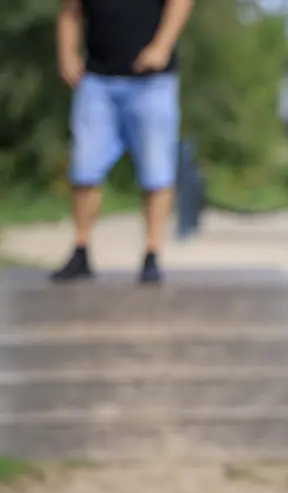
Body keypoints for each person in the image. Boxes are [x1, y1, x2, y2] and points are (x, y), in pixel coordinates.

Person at [53, 0, 194, 284]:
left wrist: (162, 46)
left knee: (157, 173)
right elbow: (69, 12)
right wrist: (67, 54)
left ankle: (152, 254)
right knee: (84, 169)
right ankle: (81, 250)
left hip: (152, 82)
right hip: (97, 81)